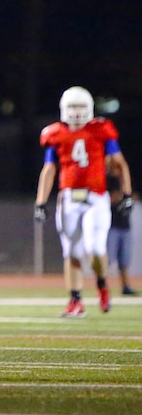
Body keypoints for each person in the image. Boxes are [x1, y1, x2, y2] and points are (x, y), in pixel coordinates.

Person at [35, 86, 132, 317]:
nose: (77, 113)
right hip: (68, 197)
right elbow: (49, 170)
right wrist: (40, 202)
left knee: (94, 248)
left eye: (80, 107)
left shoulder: (101, 129)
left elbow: (120, 163)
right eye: (72, 107)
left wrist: (126, 193)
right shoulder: (55, 133)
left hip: (96, 196)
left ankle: (101, 282)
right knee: (72, 251)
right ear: (63, 109)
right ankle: (75, 301)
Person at [107, 157, 136, 296]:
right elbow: (110, 198)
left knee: (124, 260)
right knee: (107, 259)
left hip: (125, 226)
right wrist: (119, 197)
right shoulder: (107, 181)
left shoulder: (125, 183)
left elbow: (132, 197)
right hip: (111, 226)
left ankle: (125, 286)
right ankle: (102, 286)